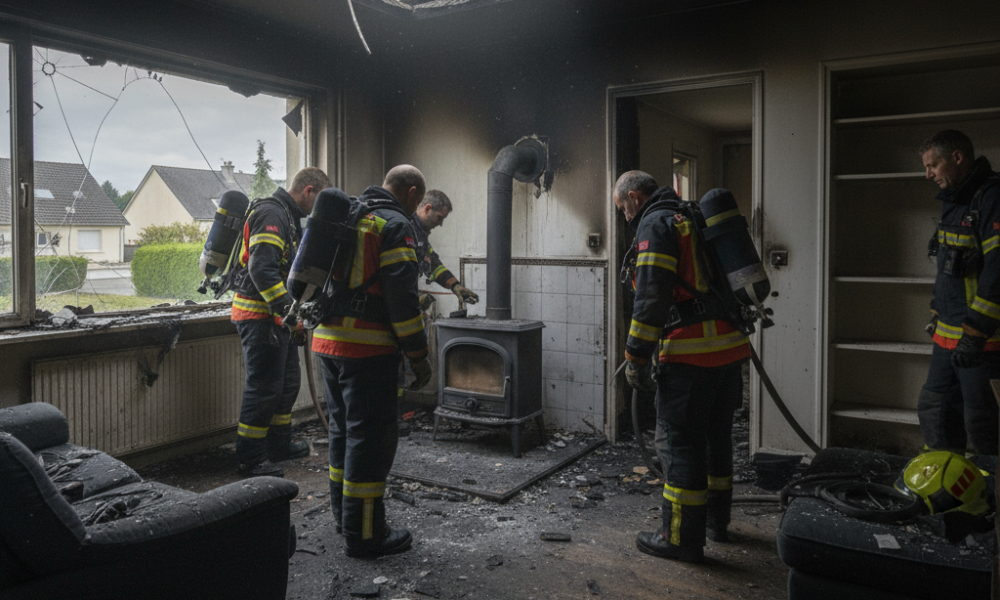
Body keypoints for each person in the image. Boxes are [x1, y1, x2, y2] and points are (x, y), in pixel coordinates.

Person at [614, 171, 749, 563]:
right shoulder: (691, 215)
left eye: (622, 208)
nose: (624, 216)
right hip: (729, 349)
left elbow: (652, 295)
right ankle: (714, 522)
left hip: (691, 354)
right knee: (715, 436)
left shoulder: (655, 224)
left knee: (679, 444)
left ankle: (679, 539)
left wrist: (635, 355)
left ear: (636, 198)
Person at [312, 165, 433, 558]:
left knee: (343, 435)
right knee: (370, 442)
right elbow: (402, 303)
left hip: (326, 343)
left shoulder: (350, 214)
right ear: (412, 193)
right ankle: (365, 536)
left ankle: (344, 519)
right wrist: (419, 357)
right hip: (366, 351)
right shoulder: (396, 224)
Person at [231, 167, 332, 477]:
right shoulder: (271, 214)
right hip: (259, 317)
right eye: (319, 202)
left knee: (287, 384)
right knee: (264, 388)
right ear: (309, 191)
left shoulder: (288, 217)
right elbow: (262, 271)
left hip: (278, 319)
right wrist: (292, 314)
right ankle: (250, 460)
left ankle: (278, 446)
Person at [918, 129, 1000, 456]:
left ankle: (988, 498)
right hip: (948, 336)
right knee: (935, 409)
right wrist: (938, 314)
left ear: (957, 158)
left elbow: (998, 270)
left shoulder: (991, 196)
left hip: (983, 341)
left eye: (933, 165)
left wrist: (977, 331)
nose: (928, 174)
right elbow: (952, 270)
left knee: (983, 423)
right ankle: (945, 490)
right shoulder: (955, 199)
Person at [410, 189, 479, 310]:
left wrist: (454, 285)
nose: (441, 223)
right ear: (427, 209)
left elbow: (433, 264)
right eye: (439, 217)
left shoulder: (420, 234)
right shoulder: (405, 228)